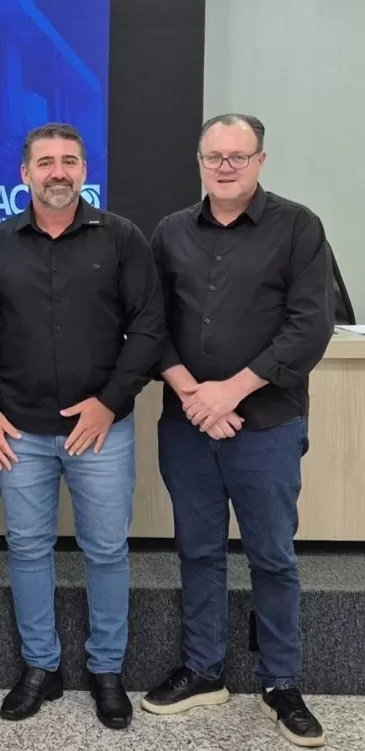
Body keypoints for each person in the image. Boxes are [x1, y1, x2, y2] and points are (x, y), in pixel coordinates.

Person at [0, 123, 166, 729]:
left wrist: (109, 402)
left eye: (69, 161)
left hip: (102, 428)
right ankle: (40, 667)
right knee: (28, 551)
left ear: (84, 170)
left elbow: (149, 327)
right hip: (19, 431)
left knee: (105, 550)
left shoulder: (123, 238)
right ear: (24, 173)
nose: (58, 171)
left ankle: (106, 670)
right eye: (46, 161)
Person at [141, 114, 333, 749]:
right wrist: (196, 397)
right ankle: (204, 671)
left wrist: (230, 391)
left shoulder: (298, 227)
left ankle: (281, 682)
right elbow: (151, 324)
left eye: (238, 156)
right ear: (199, 161)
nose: (225, 167)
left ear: (260, 161)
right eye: (214, 157)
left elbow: (309, 327)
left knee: (272, 556)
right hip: (188, 425)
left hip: (267, 424)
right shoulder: (170, 232)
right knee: (197, 551)